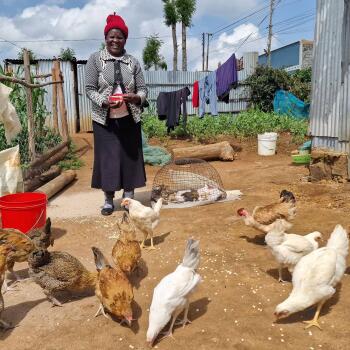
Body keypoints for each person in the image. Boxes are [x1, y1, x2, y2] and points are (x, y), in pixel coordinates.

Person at [85, 13, 147, 215]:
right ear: (105, 38)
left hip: (130, 119)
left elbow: (143, 90)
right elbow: (89, 88)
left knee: (131, 157)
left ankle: (128, 198)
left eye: (119, 37)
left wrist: (135, 98)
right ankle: (109, 200)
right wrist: (104, 101)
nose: (115, 40)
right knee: (108, 159)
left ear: (125, 40)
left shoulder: (133, 62)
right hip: (104, 121)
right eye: (111, 36)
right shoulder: (95, 60)